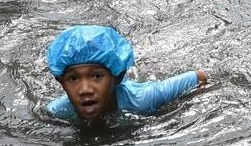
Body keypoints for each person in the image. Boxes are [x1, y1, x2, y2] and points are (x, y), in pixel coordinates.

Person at [46, 25, 208, 123]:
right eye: (73, 78)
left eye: (96, 76)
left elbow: (199, 77)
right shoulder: (57, 112)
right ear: (61, 83)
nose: (85, 89)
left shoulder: (144, 98)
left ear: (117, 76)